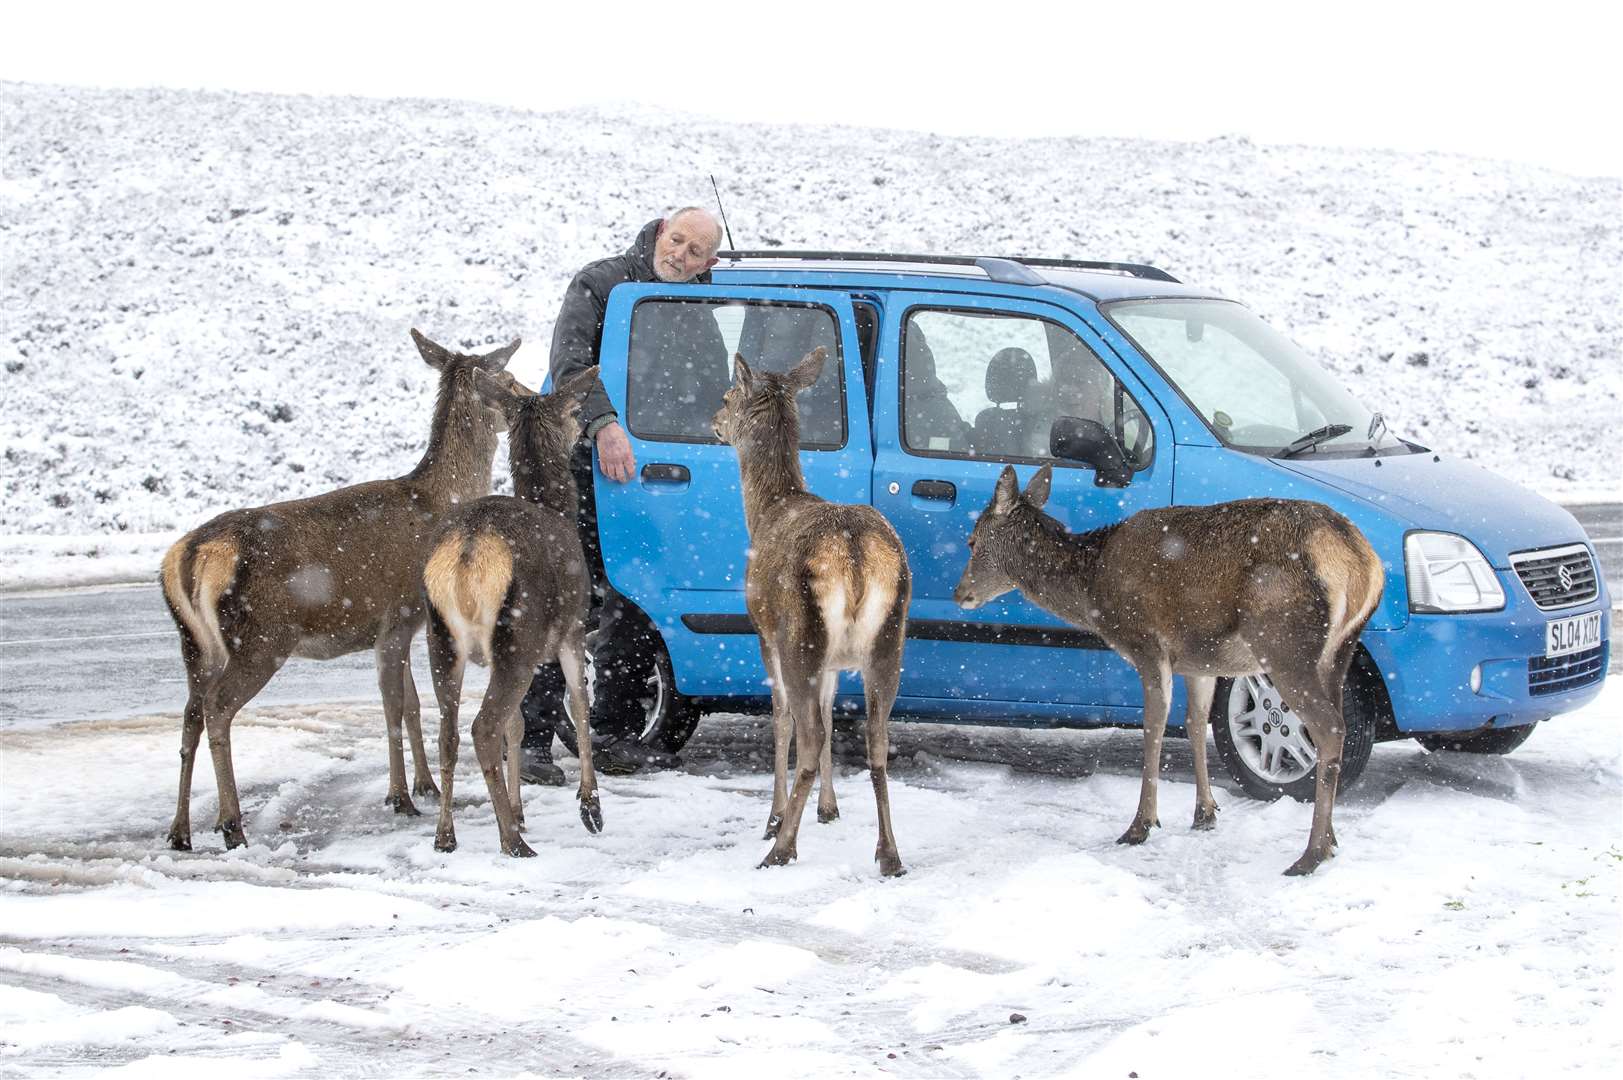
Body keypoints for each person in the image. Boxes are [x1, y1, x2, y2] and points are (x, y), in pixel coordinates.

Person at [519, 208, 726, 784]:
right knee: (560, 600)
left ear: (708, 262)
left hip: (636, 473)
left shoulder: (694, 304)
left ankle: (611, 735)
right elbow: (569, 366)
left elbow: (707, 383)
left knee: (632, 597)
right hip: (571, 465)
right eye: (676, 240)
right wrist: (604, 423)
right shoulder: (603, 283)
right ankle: (527, 740)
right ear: (661, 233)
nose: (680, 255)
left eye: (693, 251)